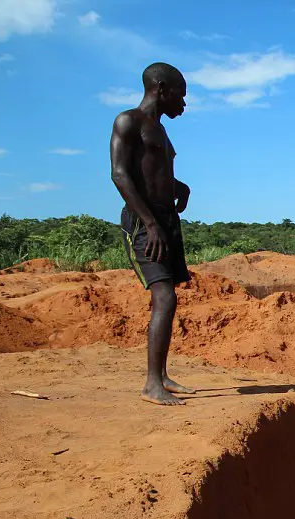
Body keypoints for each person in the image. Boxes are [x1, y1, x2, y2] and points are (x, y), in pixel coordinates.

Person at [110, 62, 193, 406]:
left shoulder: (160, 131)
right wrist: (150, 223)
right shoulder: (128, 121)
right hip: (146, 222)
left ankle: (161, 376)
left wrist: (180, 187)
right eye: (180, 95)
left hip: (165, 219)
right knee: (165, 298)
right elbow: (120, 175)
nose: (183, 104)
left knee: (169, 297)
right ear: (160, 87)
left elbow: (155, 174)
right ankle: (151, 385)